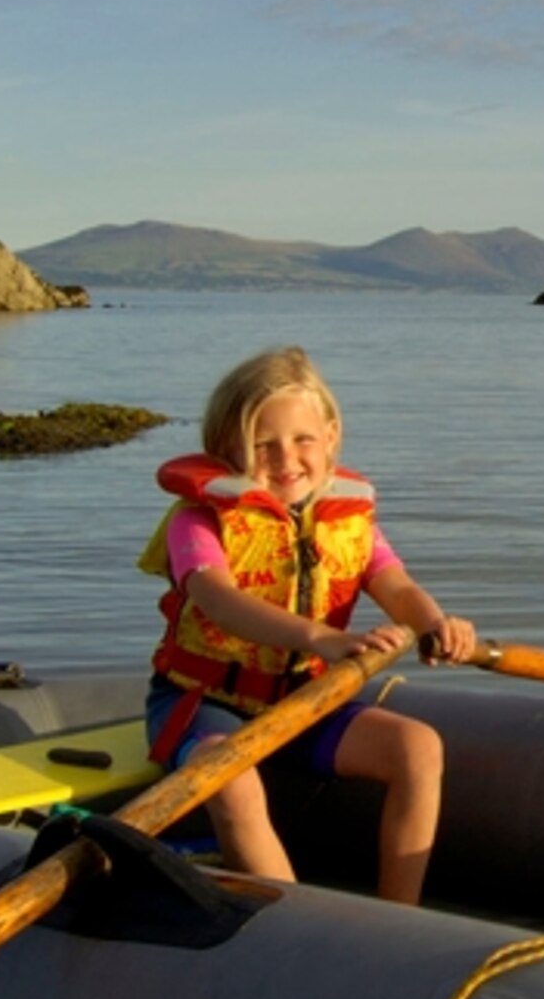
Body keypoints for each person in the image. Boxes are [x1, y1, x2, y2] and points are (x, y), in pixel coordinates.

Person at [140, 346, 476, 904]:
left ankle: (398, 920)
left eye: (302, 440)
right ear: (227, 448)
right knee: (233, 778)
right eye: (262, 445)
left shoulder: (348, 520)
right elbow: (218, 601)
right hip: (203, 703)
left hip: (304, 700)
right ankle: (301, 926)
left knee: (418, 747)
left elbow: (395, 585)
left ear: (331, 436)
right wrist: (324, 638)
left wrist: (436, 625)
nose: (285, 459)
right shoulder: (196, 521)